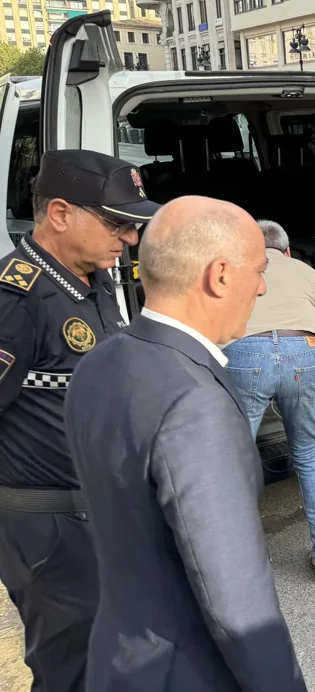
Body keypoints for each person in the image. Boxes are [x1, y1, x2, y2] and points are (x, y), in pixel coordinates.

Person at [63, 197, 308, 692]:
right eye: (259, 271)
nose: (262, 287)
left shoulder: (97, 363)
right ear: (219, 276)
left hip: (117, 654)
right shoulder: (196, 403)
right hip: (186, 672)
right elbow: (239, 607)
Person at [0, 150, 156, 692]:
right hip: (48, 524)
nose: (129, 239)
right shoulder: (14, 299)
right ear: (61, 214)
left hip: (97, 509)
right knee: (72, 664)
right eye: (116, 223)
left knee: (113, 647)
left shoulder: (97, 281)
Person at [224, 220, 315, 588]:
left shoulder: (235, 269)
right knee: (307, 450)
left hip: (245, 355)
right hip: (304, 351)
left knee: (233, 460)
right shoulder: (306, 272)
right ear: (287, 250)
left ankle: (230, 567)